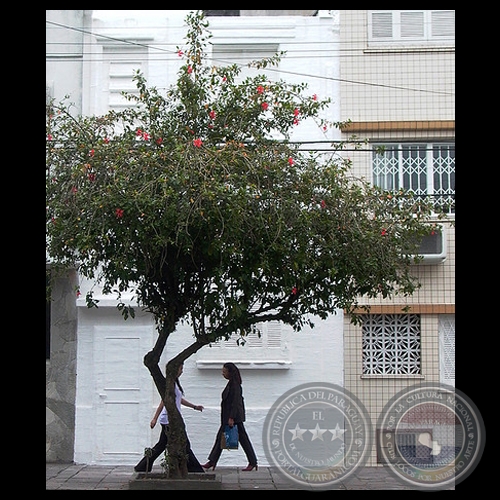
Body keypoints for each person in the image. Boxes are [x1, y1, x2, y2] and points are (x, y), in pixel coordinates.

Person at [134, 363, 205, 473]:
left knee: (162, 445)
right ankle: (194, 468)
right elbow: (163, 402)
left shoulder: (175, 383)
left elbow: (179, 400)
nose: (182, 371)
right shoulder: (170, 384)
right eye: (180, 368)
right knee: (183, 443)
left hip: (172, 420)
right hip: (169, 420)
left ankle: (142, 466)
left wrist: (194, 407)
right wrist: (155, 418)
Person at [202, 362, 258, 471]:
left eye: (224, 371)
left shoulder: (235, 385)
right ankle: (212, 461)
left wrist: (231, 417)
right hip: (228, 417)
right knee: (222, 439)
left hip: (233, 418)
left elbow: (235, 402)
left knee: (240, 439)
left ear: (230, 372)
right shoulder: (231, 383)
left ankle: (252, 462)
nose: (222, 374)